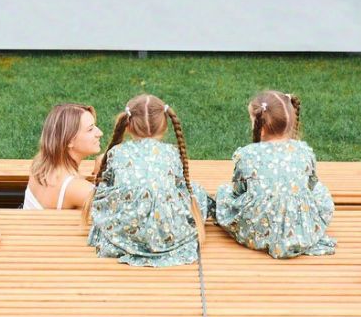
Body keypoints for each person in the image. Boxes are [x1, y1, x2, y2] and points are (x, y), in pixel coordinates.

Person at [85, 94, 207, 267]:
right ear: (165, 125)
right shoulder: (172, 152)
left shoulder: (116, 152)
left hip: (124, 234)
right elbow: (181, 189)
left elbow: (107, 189)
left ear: (127, 125)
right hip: (167, 233)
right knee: (197, 192)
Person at [214, 90, 335, 258]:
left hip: (256, 230)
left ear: (261, 126)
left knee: (224, 192)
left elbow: (238, 190)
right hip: (300, 227)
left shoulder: (247, 154)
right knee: (320, 191)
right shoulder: (303, 151)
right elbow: (311, 185)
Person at [24, 103, 102, 210]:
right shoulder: (75, 188)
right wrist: (103, 173)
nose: (100, 133)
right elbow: (120, 206)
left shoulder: (40, 165)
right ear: (69, 141)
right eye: (90, 129)